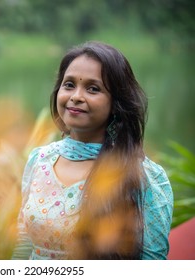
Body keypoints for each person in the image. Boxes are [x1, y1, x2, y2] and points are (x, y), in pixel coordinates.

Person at [11, 41, 173, 260]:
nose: (76, 96)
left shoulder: (142, 175)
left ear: (116, 103)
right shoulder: (40, 159)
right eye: (69, 85)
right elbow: (24, 241)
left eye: (93, 88)